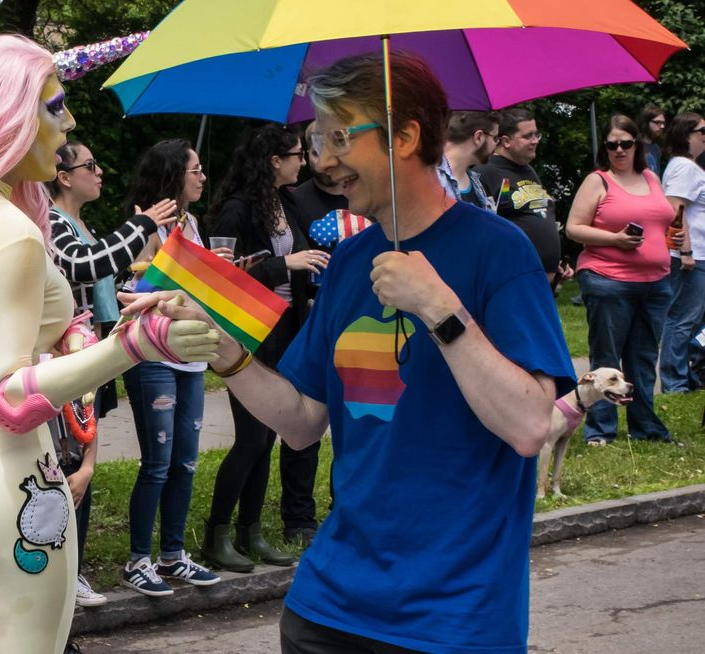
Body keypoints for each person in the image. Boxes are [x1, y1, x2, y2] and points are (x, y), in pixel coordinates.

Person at [122, 52, 575, 653]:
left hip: (453, 620)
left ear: (407, 136)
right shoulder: (352, 265)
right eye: (317, 139)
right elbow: (303, 422)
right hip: (327, 611)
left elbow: (527, 427)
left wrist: (441, 309)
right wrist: (224, 349)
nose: (324, 160)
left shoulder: (499, 253)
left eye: (340, 136)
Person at [0, 35, 220, 654]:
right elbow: (7, 397)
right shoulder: (9, 235)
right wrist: (133, 346)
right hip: (1, 484)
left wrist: (75, 332)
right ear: (4, 119)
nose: (71, 122)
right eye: (54, 107)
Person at [48, 139, 177, 611]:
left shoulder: (82, 223)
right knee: (67, 465)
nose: (99, 172)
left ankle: (73, 569)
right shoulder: (52, 224)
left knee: (84, 462)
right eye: (90, 165)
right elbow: (84, 267)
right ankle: (61, 572)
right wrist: (142, 223)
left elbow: (105, 276)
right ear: (63, 177)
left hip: (92, 356)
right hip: (64, 360)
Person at [203, 123, 330, 568]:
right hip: (249, 332)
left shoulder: (286, 203)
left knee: (269, 436)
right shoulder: (238, 210)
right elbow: (223, 280)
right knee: (251, 439)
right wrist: (284, 263)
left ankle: (250, 531)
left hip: (286, 332)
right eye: (297, 154)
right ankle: (216, 534)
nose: (303, 161)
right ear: (275, 161)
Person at [119, 139, 221, 596]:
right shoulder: (144, 224)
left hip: (192, 356)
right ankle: (138, 559)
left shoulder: (193, 222)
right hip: (155, 355)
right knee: (157, 463)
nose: (202, 177)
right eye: (195, 170)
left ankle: (173, 555)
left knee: (185, 461)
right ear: (173, 176)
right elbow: (128, 287)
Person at [566, 114, 674, 445]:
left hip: (655, 282)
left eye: (625, 143)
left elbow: (662, 222)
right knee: (607, 358)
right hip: (608, 279)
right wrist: (614, 239)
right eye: (612, 145)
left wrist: (673, 240)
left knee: (643, 359)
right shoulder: (598, 180)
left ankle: (646, 427)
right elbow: (573, 228)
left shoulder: (651, 178)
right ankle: (601, 431)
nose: (619, 150)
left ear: (637, 145)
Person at [475, 107, 564, 283]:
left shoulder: (529, 171)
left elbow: (538, 213)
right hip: (512, 278)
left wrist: (554, 261)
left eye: (536, 135)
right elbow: (481, 229)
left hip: (543, 280)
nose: (535, 141)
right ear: (506, 141)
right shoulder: (486, 172)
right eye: (527, 136)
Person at [659, 112, 705, 393]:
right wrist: (685, 250)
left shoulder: (690, 166)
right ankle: (674, 382)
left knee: (695, 320)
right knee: (682, 319)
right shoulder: (684, 168)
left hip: (698, 254)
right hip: (692, 256)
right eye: (702, 129)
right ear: (686, 134)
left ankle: (690, 375)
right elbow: (675, 208)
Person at [281, 120, 350, 251]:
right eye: (316, 153)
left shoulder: (367, 196)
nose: (324, 163)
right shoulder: (294, 202)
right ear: (306, 153)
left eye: (332, 152)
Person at [441, 110, 499, 210]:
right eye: (495, 138)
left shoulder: (474, 180)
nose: (496, 144)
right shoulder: (432, 179)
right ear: (479, 137)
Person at [638, 104, 667, 175]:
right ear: (646, 122)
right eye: (657, 122)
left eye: (663, 123)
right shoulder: (635, 146)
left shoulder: (656, 147)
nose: (662, 126)